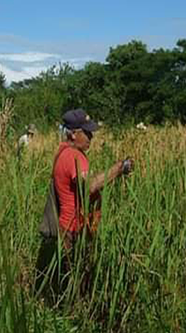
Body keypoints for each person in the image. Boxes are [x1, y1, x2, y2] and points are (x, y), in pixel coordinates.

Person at [35, 109, 133, 297]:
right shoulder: (74, 156)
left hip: (68, 227)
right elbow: (90, 186)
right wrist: (119, 168)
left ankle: (60, 306)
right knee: (75, 281)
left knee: (67, 278)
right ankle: (73, 314)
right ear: (73, 134)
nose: (91, 137)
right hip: (74, 229)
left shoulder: (62, 152)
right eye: (86, 132)